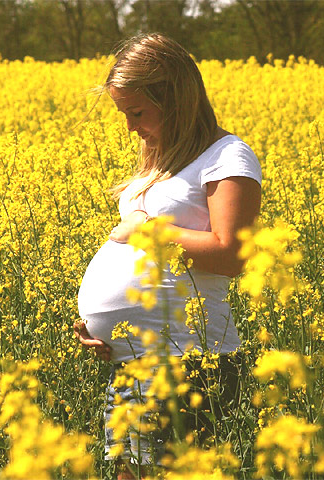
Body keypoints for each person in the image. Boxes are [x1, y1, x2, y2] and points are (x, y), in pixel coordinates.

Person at [74, 33, 261, 479]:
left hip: (190, 362)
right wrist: (112, 331)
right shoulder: (160, 157)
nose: (130, 126)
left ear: (175, 98)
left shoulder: (228, 157)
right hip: (136, 361)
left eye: (136, 112)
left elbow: (232, 255)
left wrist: (149, 230)